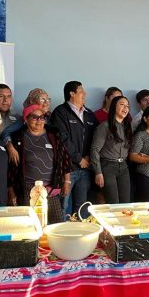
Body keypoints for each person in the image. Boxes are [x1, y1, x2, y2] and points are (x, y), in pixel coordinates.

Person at [8, 104, 72, 224]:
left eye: (42, 117)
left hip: (51, 188)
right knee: (30, 224)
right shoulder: (18, 137)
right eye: (34, 117)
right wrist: (11, 192)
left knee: (57, 223)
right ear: (26, 119)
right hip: (28, 189)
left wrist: (66, 181)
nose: (39, 120)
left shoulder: (53, 135)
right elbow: (11, 169)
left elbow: (64, 158)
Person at [51, 81, 97, 218]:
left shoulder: (89, 114)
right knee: (63, 205)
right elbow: (62, 139)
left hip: (86, 168)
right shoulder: (60, 112)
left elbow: (95, 137)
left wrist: (88, 156)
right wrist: (78, 159)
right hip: (68, 169)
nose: (85, 93)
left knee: (82, 207)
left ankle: (81, 230)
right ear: (72, 93)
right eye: (81, 91)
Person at [91, 96, 132, 203]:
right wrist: (98, 172)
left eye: (127, 106)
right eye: (122, 104)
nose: (125, 108)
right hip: (108, 166)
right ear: (114, 107)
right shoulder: (104, 126)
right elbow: (95, 150)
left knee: (126, 203)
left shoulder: (127, 127)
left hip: (123, 166)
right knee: (113, 203)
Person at [2, 88, 52, 165]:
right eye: (42, 100)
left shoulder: (50, 116)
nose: (46, 103)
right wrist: (10, 147)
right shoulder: (27, 117)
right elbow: (6, 132)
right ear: (33, 101)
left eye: (48, 99)